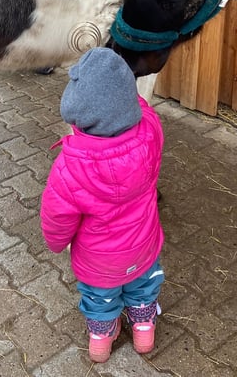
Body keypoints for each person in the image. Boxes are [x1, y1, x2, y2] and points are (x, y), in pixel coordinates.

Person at [40, 47, 165, 363]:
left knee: (100, 299)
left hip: (99, 261)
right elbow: (144, 110)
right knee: (143, 289)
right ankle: (144, 329)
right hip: (143, 247)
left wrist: (57, 244)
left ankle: (102, 337)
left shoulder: (70, 167)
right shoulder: (150, 135)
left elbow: (57, 216)